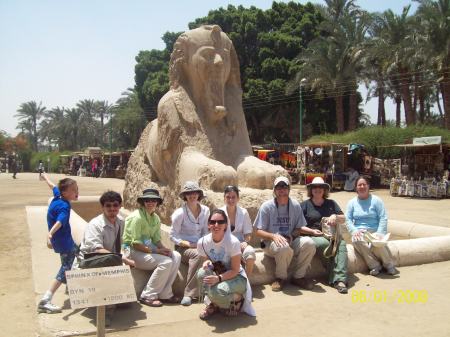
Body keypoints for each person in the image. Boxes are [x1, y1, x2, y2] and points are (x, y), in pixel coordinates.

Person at [254, 176, 316, 291]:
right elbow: (257, 231)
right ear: (274, 190)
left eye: (284, 186)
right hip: (270, 243)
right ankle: (280, 278)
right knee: (283, 245)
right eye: (278, 187)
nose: (281, 189)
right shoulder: (266, 207)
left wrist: (292, 236)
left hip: (290, 240)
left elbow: (299, 228)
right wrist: (273, 236)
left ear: (289, 189)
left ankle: (299, 276)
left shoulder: (295, 205)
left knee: (310, 243)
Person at [123, 188, 181, 307]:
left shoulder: (155, 218)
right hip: (133, 252)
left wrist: (164, 249)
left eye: (153, 200)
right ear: (143, 202)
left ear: (157, 202)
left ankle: (165, 293)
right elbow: (136, 244)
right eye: (147, 200)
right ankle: (147, 295)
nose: (150, 203)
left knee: (176, 255)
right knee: (166, 262)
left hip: (148, 250)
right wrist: (157, 251)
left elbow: (156, 240)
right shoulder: (137, 218)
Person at [197, 209, 255, 320]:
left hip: (236, 278)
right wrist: (207, 263)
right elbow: (205, 262)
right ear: (208, 224)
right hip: (218, 274)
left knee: (217, 291)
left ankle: (237, 300)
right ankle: (216, 303)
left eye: (220, 222)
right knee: (201, 274)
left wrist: (218, 279)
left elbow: (235, 270)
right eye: (213, 222)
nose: (216, 225)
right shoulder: (202, 242)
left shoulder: (233, 242)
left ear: (226, 225)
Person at [37, 173, 79, 313]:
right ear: (65, 192)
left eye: (76, 189)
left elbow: (53, 186)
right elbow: (60, 222)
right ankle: (46, 299)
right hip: (64, 242)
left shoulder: (57, 197)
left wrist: (45, 176)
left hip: (63, 241)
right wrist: (50, 233)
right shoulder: (64, 207)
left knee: (77, 254)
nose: (76, 192)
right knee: (65, 268)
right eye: (73, 190)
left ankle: (71, 283)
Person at [300, 177, 348, 294]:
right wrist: (311, 232)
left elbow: (343, 218)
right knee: (325, 244)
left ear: (324, 190)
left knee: (342, 244)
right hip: (312, 236)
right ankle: (336, 279)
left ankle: (340, 279)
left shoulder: (331, 203)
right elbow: (297, 226)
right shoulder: (304, 205)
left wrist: (335, 216)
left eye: (320, 187)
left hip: (331, 235)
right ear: (310, 190)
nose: (317, 189)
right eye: (314, 187)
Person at [346, 175, 398, 276]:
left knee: (377, 242)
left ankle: (389, 265)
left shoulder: (376, 200)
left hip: (375, 230)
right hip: (360, 232)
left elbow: (383, 217)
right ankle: (375, 266)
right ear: (356, 187)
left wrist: (380, 232)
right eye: (359, 185)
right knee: (356, 239)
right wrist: (354, 231)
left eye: (364, 184)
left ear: (368, 186)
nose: (362, 187)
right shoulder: (351, 203)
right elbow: (347, 219)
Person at [170, 181, 210, 306]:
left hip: (200, 245)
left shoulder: (205, 210)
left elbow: (205, 231)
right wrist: (187, 244)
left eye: (195, 193)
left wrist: (202, 244)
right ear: (185, 196)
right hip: (183, 248)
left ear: (199, 194)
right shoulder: (179, 214)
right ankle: (189, 293)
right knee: (198, 256)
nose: (192, 196)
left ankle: (212, 292)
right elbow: (172, 235)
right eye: (189, 193)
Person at [219, 185, 256, 276]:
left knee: (250, 253)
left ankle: (246, 282)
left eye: (233, 197)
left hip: (240, 243)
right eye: (228, 197)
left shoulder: (243, 212)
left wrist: (246, 242)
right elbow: (217, 234)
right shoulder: (219, 213)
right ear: (224, 198)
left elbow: (248, 233)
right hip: (224, 245)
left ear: (238, 198)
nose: (231, 200)